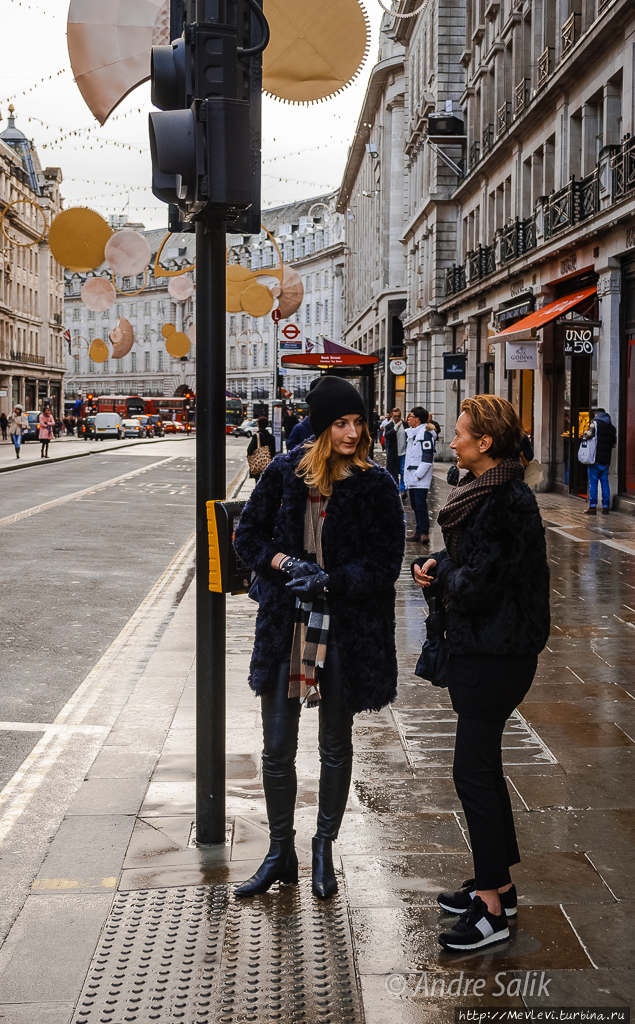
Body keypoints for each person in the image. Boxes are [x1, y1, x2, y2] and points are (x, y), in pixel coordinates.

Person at [233, 376, 405, 900]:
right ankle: (279, 852)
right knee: (277, 748)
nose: (353, 432)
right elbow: (247, 537)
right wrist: (286, 563)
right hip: (288, 625)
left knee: (335, 743)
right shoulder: (286, 473)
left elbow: (385, 565)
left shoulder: (376, 484)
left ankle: (324, 847)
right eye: (342, 423)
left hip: (345, 630)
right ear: (322, 427)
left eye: (358, 422)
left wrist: (331, 580)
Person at [413, 395, 550, 953]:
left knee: (471, 772)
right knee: (484, 769)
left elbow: (483, 582)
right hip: (487, 650)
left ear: (485, 443)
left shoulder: (505, 501)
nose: (452, 440)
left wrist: (445, 581)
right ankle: (501, 886)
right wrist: (436, 565)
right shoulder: (487, 492)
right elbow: (467, 560)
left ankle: (490, 908)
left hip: (496, 653)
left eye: (461, 433)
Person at [404, 406, 436, 545]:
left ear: (417, 419)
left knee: (421, 504)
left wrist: (418, 475)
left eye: (410, 416)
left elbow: (427, 456)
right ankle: (418, 531)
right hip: (412, 476)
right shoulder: (413, 433)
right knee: (415, 505)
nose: (408, 419)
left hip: (419, 477)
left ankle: (424, 532)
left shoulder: (425, 434)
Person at [582, 408, 617, 515]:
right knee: (605, 483)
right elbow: (614, 444)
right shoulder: (612, 428)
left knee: (593, 483)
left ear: (597, 415)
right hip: (606, 460)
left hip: (594, 458)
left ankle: (592, 507)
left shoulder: (595, 424)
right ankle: (605, 507)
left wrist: (584, 434)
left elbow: (587, 436)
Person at [383, 407, 407, 492]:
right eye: (395, 416)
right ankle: (396, 490)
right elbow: (388, 436)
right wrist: (396, 427)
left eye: (399, 416)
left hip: (404, 453)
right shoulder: (389, 426)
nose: (397, 418)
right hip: (394, 454)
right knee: (394, 473)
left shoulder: (405, 424)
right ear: (392, 416)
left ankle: (403, 490)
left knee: (403, 471)